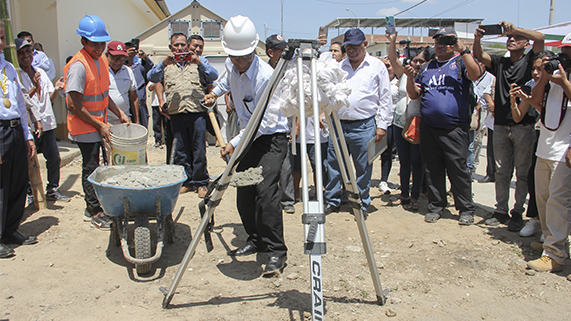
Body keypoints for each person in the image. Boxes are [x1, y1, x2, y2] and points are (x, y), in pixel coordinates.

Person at [203, 15, 290, 276]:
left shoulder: (265, 76)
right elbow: (224, 82)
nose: (239, 62)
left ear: (255, 50)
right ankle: (255, 239)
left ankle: (276, 252)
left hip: (270, 138)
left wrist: (232, 142)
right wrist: (214, 94)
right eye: (235, 57)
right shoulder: (232, 66)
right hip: (246, 138)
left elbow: (262, 123)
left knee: (265, 193)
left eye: (244, 57)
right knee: (244, 192)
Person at [405, 27, 483, 225]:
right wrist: (409, 78)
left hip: (455, 129)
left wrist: (463, 50)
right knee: (433, 170)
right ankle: (436, 206)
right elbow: (415, 94)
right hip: (430, 128)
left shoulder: (459, 62)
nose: (441, 45)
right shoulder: (427, 67)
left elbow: (474, 75)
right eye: (438, 41)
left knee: (458, 170)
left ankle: (465, 209)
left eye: (447, 41)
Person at [473, 21, 545, 231]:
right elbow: (480, 56)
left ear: (525, 43)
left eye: (516, 39)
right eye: (509, 38)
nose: (511, 40)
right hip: (501, 124)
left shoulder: (530, 60)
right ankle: (501, 210)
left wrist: (516, 29)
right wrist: (477, 38)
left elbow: (540, 38)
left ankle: (517, 212)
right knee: (503, 171)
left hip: (524, 124)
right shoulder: (501, 62)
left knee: (522, 172)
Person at [64, 15, 130, 229]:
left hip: (98, 124)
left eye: (102, 43)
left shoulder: (100, 60)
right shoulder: (78, 66)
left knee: (100, 166)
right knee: (91, 168)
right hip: (85, 128)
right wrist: (98, 124)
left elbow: (103, 94)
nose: (100, 47)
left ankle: (96, 203)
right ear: (83, 41)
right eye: (95, 43)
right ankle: (93, 211)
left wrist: (118, 112)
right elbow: (73, 104)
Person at [323, 28, 393, 216]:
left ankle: (361, 203)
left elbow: (385, 97)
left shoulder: (376, 66)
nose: (352, 50)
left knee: (363, 167)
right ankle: (333, 200)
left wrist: (382, 125)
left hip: (364, 125)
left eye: (355, 46)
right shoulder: (338, 67)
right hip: (337, 124)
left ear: (364, 44)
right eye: (348, 46)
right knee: (334, 164)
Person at [147, 33, 218, 198]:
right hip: (176, 114)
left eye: (182, 45)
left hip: (196, 113)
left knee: (199, 149)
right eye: (176, 45)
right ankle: (187, 182)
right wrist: (164, 62)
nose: (179, 48)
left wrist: (199, 62)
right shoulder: (166, 65)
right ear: (171, 47)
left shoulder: (199, 62)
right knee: (181, 150)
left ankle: (201, 182)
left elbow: (213, 76)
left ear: (187, 46)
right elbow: (152, 77)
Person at [525, 41, 571, 272]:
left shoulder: (565, 80)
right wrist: (544, 77)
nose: (564, 58)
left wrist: (565, 82)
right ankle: (550, 241)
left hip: (564, 151)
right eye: (562, 53)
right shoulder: (552, 78)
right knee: (542, 199)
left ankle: (555, 253)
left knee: (558, 203)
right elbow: (535, 102)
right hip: (544, 147)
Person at [0, 23, 39, 258]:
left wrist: (27, 135)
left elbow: (21, 107)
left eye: (2, 38)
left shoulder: (9, 69)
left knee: (17, 182)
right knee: (1, 186)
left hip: (14, 131)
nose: (1, 43)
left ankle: (10, 230)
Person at [16, 38, 70, 202]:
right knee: (28, 160)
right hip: (30, 125)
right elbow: (22, 101)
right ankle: (31, 192)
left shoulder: (40, 71)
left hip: (46, 123)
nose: (26, 55)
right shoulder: (17, 75)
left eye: (28, 51)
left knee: (53, 157)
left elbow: (49, 98)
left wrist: (56, 88)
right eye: (21, 53)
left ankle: (52, 188)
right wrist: (34, 87)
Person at [385, 31, 433, 211]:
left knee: (416, 161)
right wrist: (392, 41)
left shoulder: (427, 75)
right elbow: (392, 58)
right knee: (404, 160)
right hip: (399, 123)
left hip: (416, 125)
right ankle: (403, 194)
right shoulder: (403, 74)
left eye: (421, 61)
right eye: (415, 61)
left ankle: (415, 197)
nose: (417, 64)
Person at [509, 51, 552, 238]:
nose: (535, 72)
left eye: (540, 68)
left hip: (556, 139)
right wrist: (514, 101)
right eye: (533, 68)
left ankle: (550, 225)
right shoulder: (530, 86)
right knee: (535, 181)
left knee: (554, 185)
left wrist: (532, 101)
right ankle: (536, 219)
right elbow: (518, 116)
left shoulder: (556, 87)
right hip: (539, 137)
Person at [266, 34, 295, 214]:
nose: (286, 54)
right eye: (281, 50)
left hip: (284, 124)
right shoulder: (262, 71)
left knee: (286, 165)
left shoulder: (290, 70)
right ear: (271, 52)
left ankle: (287, 200)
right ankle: (270, 199)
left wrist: (295, 125)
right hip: (265, 125)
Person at [377, 56, 397, 195]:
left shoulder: (398, 83)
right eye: (383, 65)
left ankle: (384, 179)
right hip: (374, 120)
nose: (386, 68)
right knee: (370, 152)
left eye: (389, 65)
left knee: (387, 152)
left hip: (391, 122)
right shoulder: (376, 79)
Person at [106, 41, 139, 126]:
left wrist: (137, 120)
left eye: (122, 58)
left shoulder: (128, 71)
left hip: (125, 120)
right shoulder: (101, 71)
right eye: (115, 58)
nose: (118, 61)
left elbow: (133, 97)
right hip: (106, 120)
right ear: (107, 55)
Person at [125, 40, 154, 128]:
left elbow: (151, 72)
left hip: (140, 104)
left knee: (142, 128)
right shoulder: (121, 66)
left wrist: (145, 58)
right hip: (126, 105)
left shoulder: (139, 65)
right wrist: (125, 57)